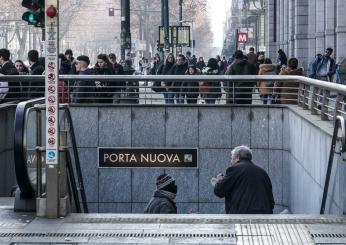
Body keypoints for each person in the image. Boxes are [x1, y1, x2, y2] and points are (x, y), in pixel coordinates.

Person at [213, 145, 275, 214]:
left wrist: (219, 181)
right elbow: (271, 200)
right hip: (264, 215)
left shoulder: (234, 169)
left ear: (237, 158)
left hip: (242, 215)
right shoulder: (263, 172)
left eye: (231, 158)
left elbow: (219, 191)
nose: (231, 162)